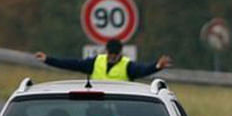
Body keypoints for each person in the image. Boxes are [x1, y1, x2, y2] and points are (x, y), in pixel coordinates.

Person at [34, 38, 173, 81]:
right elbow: (71, 64)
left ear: (120, 53)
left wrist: (157, 66)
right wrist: (48, 59)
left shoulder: (128, 66)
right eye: (110, 54)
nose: (112, 58)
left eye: (115, 55)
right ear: (106, 51)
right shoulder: (95, 62)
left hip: (121, 108)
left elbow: (143, 70)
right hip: (96, 106)